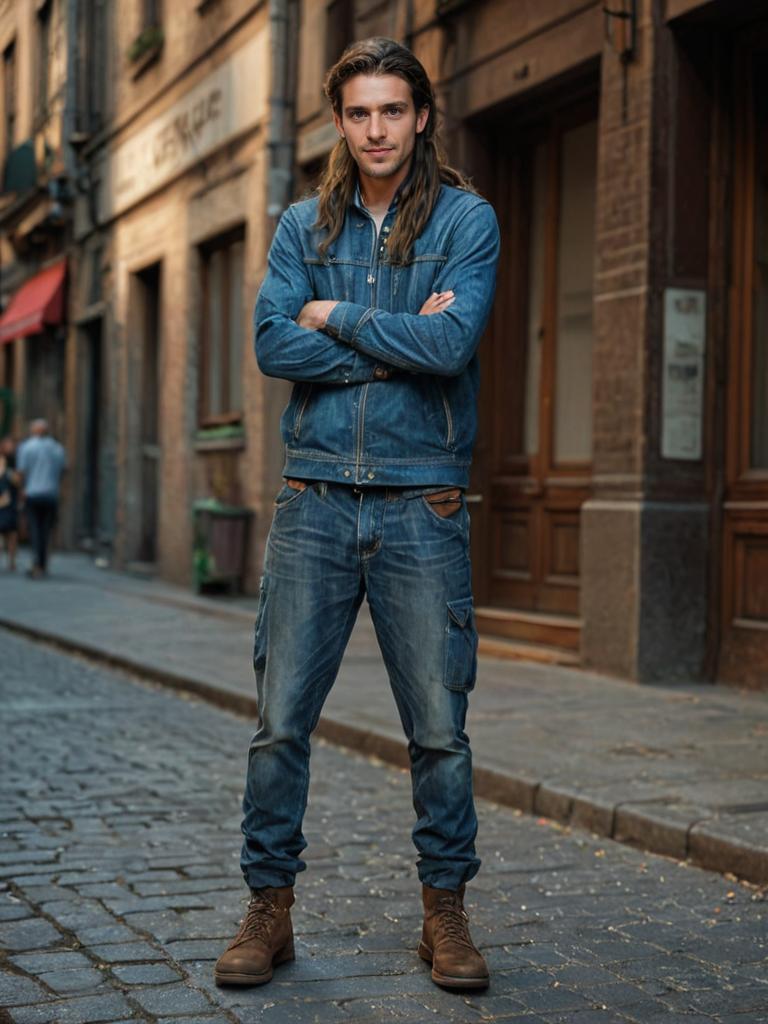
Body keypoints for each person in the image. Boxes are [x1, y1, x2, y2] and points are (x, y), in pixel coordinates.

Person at [215, 37, 499, 992]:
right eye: (359, 113)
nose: (376, 129)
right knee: (280, 723)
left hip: (424, 500)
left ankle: (445, 916)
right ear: (340, 123)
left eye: (393, 110)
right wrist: (399, 345)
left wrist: (331, 319)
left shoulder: (467, 221)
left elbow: (452, 340)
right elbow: (267, 344)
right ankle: (269, 910)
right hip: (316, 500)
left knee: (439, 732)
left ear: (422, 117)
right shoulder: (303, 225)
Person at [17, 419, 66, 578]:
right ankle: (43, 563)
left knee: (35, 530)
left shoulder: (27, 447)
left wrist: (21, 490)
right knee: (46, 530)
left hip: (32, 493)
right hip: (51, 493)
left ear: (34, 431)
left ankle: (37, 563)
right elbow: (64, 470)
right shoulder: (57, 448)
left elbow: (21, 472)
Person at [0, 436, 20, 570]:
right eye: (7, 445)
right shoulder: (1, 461)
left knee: (12, 532)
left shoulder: (16, 461)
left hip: (11, 501)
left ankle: (11, 561)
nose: (10, 448)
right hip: (1, 501)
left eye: (12, 445)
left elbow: (18, 481)